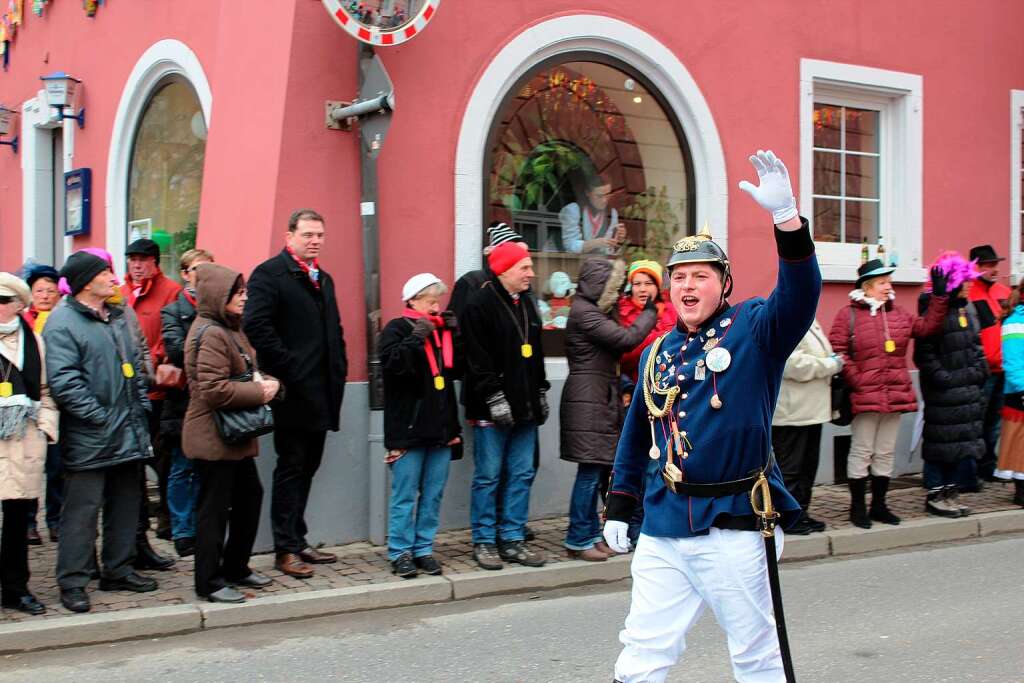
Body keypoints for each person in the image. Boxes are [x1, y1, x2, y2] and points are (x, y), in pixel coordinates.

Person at [604, 150, 818, 683]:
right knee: (641, 653)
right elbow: (636, 438)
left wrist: (786, 220)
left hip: (735, 523)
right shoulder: (658, 351)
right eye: (679, 277)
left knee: (756, 656)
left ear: (724, 284)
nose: (688, 286)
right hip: (663, 525)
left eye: (701, 276)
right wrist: (619, 505)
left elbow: (800, 297)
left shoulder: (753, 328)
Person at [44, 251, 157, 614]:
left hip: (128, 426)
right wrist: (100, 417)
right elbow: (65, 381)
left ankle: (118, 569)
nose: (113, 277)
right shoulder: (62, 322)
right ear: (86, 281)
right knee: (81, 512)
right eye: (106, 272)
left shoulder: (118, 315)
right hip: (91, 434)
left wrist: (140, 403)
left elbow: (136, 365)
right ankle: (73, 581)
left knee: (126, 503)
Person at [243, 209, 348, 579]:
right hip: (293, 390)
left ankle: (297, 539)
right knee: (291, 467)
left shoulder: (324, 279)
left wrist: (340, 365)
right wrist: (288, 367)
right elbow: (255, 325)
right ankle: (284, 549)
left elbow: (333, 327)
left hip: (322, 389)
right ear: (289, 236)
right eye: (307, 234)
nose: (315, 240)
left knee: (308, 467)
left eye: (319, 234)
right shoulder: (269, 274)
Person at [183, 263, 278, 603]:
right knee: (214, 511)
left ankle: (236, 567)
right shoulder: (210, 332)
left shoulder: (228, 328)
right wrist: (261, 393)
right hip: (214, 436)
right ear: (217, 296)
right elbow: (213, 390)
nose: (244, 297)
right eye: (238, 293)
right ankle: (208, 582)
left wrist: (263, 381)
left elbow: (241, 371)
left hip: (232, 436)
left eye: (244, 291)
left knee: (249, 498)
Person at [829, 258, 948, 528]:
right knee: (862, 451)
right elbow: (838, 350)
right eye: (882, 282)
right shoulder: (847, 314)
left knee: (884, 452)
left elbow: (927, 328)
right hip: (864, 396)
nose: (888, 286)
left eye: (889, 282)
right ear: (867, 286)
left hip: (894, 394)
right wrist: (857, 380)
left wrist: (940, 297)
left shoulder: (899, 314)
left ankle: (879, 506)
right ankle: (857, 507)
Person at [560, 258, 656, 561]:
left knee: (599, 470)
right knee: (589, 473)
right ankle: (578, 538)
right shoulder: (584, 313)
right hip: (588, 400)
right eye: (613, 289)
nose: (618, 294)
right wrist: (650, 312)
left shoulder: (593, 310)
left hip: (599, 397)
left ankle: (590, 533)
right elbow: (625, 339)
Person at [462, 241, 549, 570]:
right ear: (504, 269)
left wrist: (540, 390)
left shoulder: (526, 302)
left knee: (522, 473)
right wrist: (494, 398)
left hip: (525, 405)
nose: (531, 272)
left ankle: (512, 537)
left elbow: (535, 351)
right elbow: (477, 360)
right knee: (488, 475)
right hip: (491, 408)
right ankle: (484, 541)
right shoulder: (479, 303)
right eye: (524, 267)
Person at [379, 274, 463, 578]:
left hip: (439, 429)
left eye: (437, 300)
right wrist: (418, 335)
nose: (436, 306)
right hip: (409, 430)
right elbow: (393, 366)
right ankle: (400, 551)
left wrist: (456, 334)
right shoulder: (396, 329)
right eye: (430, 301)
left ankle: (423, 548)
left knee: (433, 494)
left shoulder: (440, 332)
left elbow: (454, 372)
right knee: (405, 495)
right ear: (412, 300)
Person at [0, 273, 58, 615]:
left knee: (19, 517)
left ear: (19, 306)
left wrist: (46, 428)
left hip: (24, 441)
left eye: (3, 302)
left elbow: (47, 390)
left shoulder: (34, 341)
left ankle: (16, 588)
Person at [914, 252, 988, 518]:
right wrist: (944, 379)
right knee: (941, 443)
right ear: (953, 282)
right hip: (944, 392)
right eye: (965, 280)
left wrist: (980, 370)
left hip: (967, 390)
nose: (970, 284)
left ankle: (951, 492)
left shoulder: (966, 307)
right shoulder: (932, 307)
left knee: (960, 444)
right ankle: (935, 493)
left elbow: (976, 344)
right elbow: (925, 353)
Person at [122, 238, 181, 565]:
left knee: (163, 460)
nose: (137, 264)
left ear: (156, 262)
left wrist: (152, 367)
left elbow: (166, 339)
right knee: (133, 465)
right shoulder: (120, 293)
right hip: (129, 394)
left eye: (143, 259)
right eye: (132, 259)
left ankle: (167, 520)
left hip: (158, 392)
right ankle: (137, 529)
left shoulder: (169, 290)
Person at [160, 248, 215, 557]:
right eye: (196, 269)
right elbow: (177, 350)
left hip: (213, 401)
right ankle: (183, 529)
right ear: (184, 274)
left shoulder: (220, 308)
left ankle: (201, 524)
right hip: (183, 402)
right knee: (182, 466)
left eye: (208, 269)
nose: (202, 274)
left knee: (207, 467)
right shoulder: (173, 311)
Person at [771, 320, 843, 534]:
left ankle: (801, 512)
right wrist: (831, 365)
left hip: (812, 410)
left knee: (807, 468)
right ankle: (787, 517)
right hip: (793, 413)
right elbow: (792, 364)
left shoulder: (810, 321)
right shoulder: (785, 322)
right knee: (791, 468)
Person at [21, 263, 62, 545]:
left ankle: (56, 521)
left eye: (51, 290)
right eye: (39, 290)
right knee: (29, 467)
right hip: (28, 404)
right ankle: (27, 523)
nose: (45, 295)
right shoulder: (22, 322)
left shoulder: (63, 320)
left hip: (57, 404)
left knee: (57, 467)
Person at [967, 244, 1013, 486]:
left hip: (1004, 369)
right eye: (988, 265)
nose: (994, 269)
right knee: (977, 421)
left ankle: (988, 465)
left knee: (994, 422)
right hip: (981, 369)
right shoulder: (969, 294)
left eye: (995, 264)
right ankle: (971, 469)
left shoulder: (1004, 292)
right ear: (975, 267)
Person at [618, 259, 678, 390]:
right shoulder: (621, 313)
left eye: (648, 283)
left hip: (672, 386)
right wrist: (662, 337)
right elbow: (623, 358)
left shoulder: (672, 310)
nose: (642, 289)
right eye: (637, 284)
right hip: (637, 388)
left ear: (657, 286)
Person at [995, 276, 1024, 506]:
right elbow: (1013, 364)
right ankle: (1021, 491)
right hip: (1020, 391)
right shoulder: (1014, 322)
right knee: (1019, 444)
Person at [559, 175, 626, 254]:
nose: (605, 200)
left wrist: (618, 240)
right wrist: (595, 243)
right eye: (599, 196)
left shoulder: (612, 213)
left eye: (608, 195)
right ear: (588, 193)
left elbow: (609, 251)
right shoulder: (573, 210)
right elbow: (569, 246)